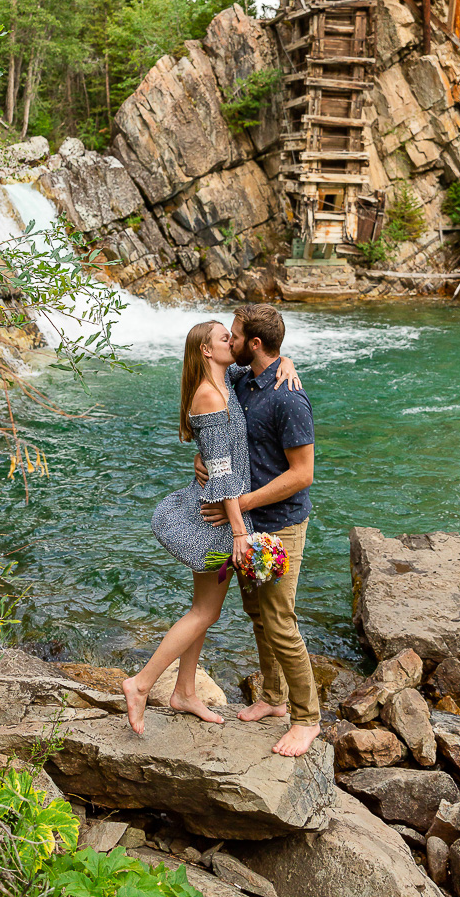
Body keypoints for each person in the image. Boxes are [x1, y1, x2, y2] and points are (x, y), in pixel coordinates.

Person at [122, 319, 299, 736]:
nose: (232, 342)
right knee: (206, 611)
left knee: (204, 609)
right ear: (206, 350)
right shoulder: (208, 395)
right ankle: (142, 683)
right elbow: (220, 474)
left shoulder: (228, 379)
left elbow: (259, 363)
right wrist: (240, 532)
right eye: (224, 338)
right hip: (218, 518)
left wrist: (286, 360)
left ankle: (184, 691)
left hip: (221, 511)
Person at [197, 304, 321, 758]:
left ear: (253, 343)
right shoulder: (242, 380)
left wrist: (240, 504)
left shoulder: (289, 397)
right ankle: (273, 698)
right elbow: (213, 417)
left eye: (233, 336)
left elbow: (302, 473)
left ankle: (307, 720)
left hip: (280, 524)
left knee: (281, 621)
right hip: (246, 526)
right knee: (257, 614)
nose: (227, 342)